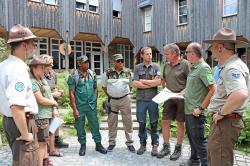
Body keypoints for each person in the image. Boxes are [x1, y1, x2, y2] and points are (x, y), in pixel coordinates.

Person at [204, 28, 249, 166]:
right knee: (217, 157)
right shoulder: (230, 66)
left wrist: (221, 113)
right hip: (226, 123)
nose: (210, 50)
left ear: (220, 47)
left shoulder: (231, 68)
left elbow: (240, 94)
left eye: (212, 46)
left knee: (220, 161)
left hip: (226, 122)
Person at [0, 24, 39, 166]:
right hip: (21, 122)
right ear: (24, 45)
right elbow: (16, 106)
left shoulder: (3, 65)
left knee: (19, 159)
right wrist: (25, 133)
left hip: (10, 121)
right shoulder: (18, 68)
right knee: (27, 161)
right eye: (32, 44)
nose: (34, 47)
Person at [180, 42, 216, 166]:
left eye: (186, 52)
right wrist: (183, 92)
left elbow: (213, 89)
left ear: (193, 53)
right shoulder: (194, 67)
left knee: (200, 142)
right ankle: (194, 161)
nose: (185, 55)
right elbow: (196, 86)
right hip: (189, 110)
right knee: (192, 139)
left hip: (196, 113)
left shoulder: (203, 68)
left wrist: (201, 108)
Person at [67, 55, 107, 156]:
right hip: (80, 107)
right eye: (85, 62)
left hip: (91, 106)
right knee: (80, 127)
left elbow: (95, 88)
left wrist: (95, 100)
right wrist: (74, 109)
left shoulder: (92, 74)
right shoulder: (73, 76)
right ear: (79, 64)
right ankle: (83, 145)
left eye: (88, 62)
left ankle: (98, 144)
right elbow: (71, 93)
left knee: (95, 125)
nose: (87, 64)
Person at [157, 44, 190, 161]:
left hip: (181, 98)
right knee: (165, 121)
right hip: (169, 97)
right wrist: (164, 89)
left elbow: (191, 82)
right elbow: (163, 79)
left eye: (167, 54)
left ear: (174, 54)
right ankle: (166, 147)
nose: (165, 56)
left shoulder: (185, 64)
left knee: (180, 123)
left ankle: (178, 147)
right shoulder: (166, 66)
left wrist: (183, 92)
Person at [30, 55, 60, 166]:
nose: (44, 69)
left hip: (47, 114)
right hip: (40, 116)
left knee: (44, 141)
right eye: (41, 67)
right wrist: (54, 103)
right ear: (33, 68)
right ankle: (41, 162)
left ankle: (45, 160)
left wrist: (54, 107)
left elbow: (49, 95)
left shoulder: (43, 79)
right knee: (41, 143)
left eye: (44, 67)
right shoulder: (33, 81)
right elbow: (41, 99)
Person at [101, 54, 135, 153]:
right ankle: (112, 142)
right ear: (114, 62)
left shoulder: (128, 72)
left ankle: (130, 142)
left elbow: (131, 85)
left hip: (125, 100)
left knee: (128, 121)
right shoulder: (108, 73)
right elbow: (103, 86)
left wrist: (123, 93)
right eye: (118, 61)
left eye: (122, 60)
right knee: (112, 122)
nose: (120, 62)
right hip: (112, 100)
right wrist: (110, 95)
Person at [132, 46, 161, 156]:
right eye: (147, 54)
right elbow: (135, 83)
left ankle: (155, 145)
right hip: (141, 100)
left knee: (154, 123)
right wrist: (150, 83)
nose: (150, 56)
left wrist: (143, 81)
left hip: (153, 100)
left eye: (151, 54)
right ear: (142, 55)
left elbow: (158, 82)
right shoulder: (137, 67)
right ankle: (143, 144)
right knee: (142, 123)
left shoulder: (156, 67)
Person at [43, 55, 69, 149]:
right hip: (45, 103)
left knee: (56, 121)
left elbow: (54, 87)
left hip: (54, 103)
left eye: (52, 63)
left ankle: (56, 140)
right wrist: (53, 94)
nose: (52, 65)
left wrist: (59, 91)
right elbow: (40, 92)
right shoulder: (40, 75)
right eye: (50, 64)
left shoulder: (53, 73)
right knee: (47, 124)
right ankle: (47, 143)